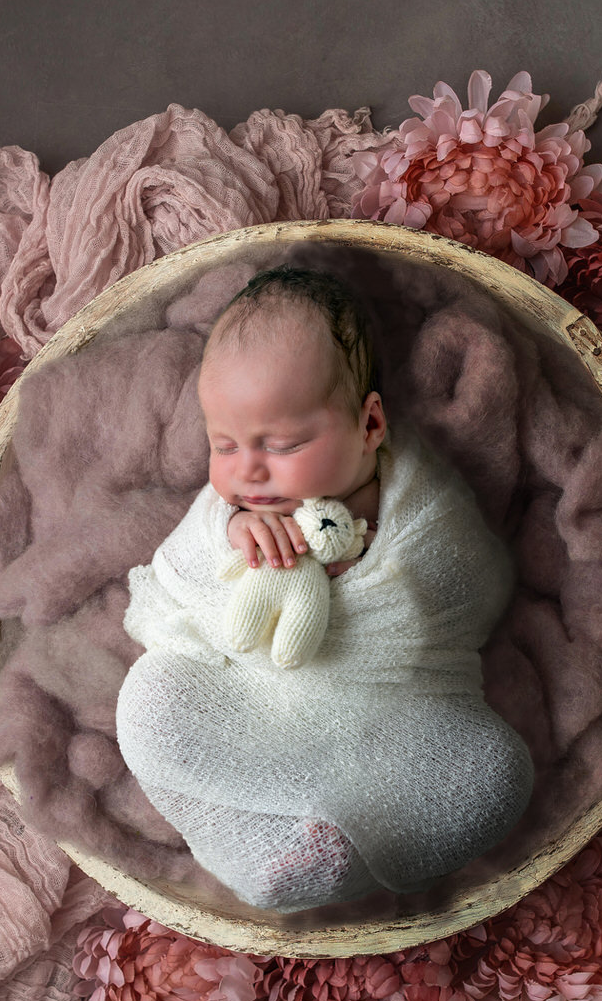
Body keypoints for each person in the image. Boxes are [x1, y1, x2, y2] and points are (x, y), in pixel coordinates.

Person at [114, 266, 534, 913]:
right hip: (255, 708)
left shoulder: (421, 508)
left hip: (390, 717)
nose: (248, 470)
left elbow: (477, 585)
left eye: (281, 443)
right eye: (223, 444)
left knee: (496, 775)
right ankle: (294, 830)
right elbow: (175, 584)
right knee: (150, 702)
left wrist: (375, 571)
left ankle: (327, 830)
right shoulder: (234, 510)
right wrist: (233, 537)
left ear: (369, 426)